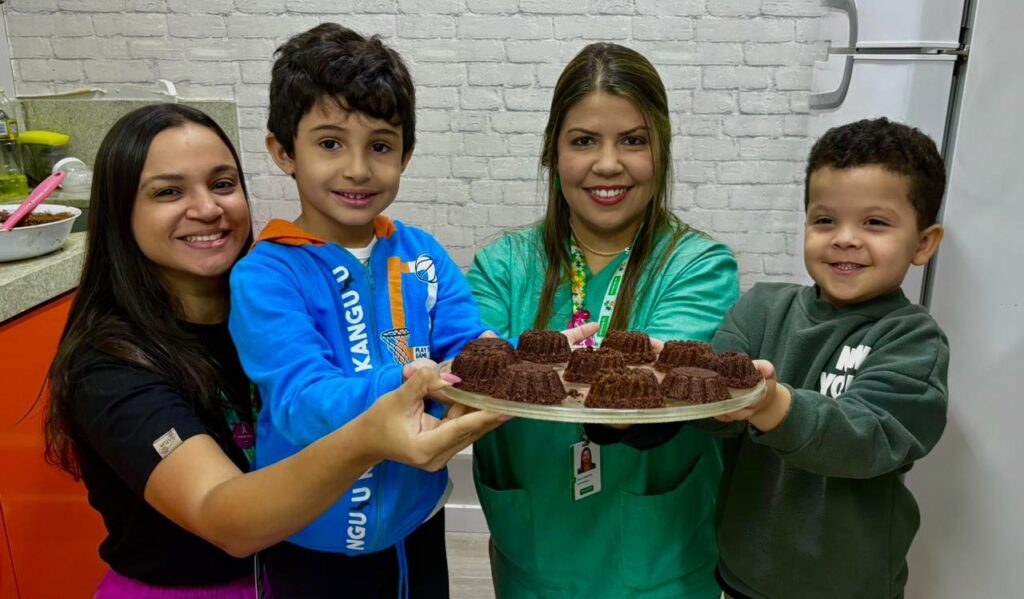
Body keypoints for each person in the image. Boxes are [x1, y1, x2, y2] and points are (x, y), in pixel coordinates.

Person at [43, 103, 506, 599]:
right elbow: (225, 517)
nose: (207, 208)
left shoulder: (271, 311)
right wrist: (375, 431)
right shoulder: (111, 368)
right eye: (168, 192)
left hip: (307, 567)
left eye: (222, 184)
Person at [226, 23, 504, 597]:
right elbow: (302, 402)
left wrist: (516, 361)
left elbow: (468, 343)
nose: (358, 168)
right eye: (330, 143)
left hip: (418, 522)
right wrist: (411, 383)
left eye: (380, 145)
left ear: (406, 154)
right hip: (311, 536)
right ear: (283, 152)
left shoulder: (421, 253)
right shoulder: (266, 274)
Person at [467, 43, 739, 597]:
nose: (608, 164)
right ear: (553, 154)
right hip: (532, 550)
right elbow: (470, 368)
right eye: (584, 141)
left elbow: (655, 392)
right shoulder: (502, 265)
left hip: (659, 562)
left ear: (661, 152)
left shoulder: (699, 266)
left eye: (633, 141)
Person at [705, 117, 949, 599]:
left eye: (874, 222)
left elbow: (868, 439)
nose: (844, 238)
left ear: (923, 243)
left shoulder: (913, 339)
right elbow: (713, 418)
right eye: (825, 220)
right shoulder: (761, 308)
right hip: (742, 576)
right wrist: (681, 379)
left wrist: (772, 404)